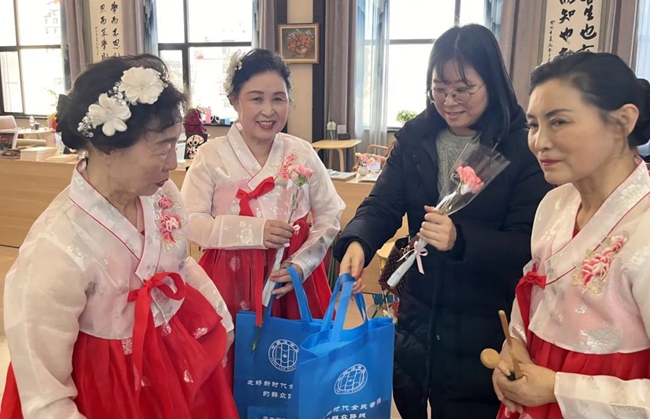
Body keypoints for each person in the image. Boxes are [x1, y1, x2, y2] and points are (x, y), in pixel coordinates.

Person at [0, 54, 238, 418]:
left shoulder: (162, 195)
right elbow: (45, 395)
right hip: (106, 387)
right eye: (161, 147)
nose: (173, 164)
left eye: (175, 144)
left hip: (172, 357)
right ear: (107, 146)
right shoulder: (56, 248)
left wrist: (221, 317)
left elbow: (179, 263)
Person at [334, 24, 552, 418]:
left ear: (492, 83)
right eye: (439, 88)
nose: (449, 101)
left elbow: (528, 245)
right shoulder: (416, 138)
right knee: (412, 395)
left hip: (485, 320)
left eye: (463, 89)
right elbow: (383, 203)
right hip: (419, 313)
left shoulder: (521, 148)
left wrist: (460, 239)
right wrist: (358, 241)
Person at [492, 52, 650, 418]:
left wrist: (558, 388)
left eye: (559, 122)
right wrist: (513, 348)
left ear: (622, 122)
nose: (539, 141)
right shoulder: (554, 204)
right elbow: (534, 303)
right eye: (533, 125)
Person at [180, 49, 345, 383]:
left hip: (291, 279)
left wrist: (302, 263)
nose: (269, 110)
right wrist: (253, 232)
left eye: (278, 99)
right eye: (256, 98)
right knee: (235, 371)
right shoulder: (211, 156)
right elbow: (191, 222)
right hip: (229, 277)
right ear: (234, 99)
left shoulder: (301, 152)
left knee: (294, 371)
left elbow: (330, 214)